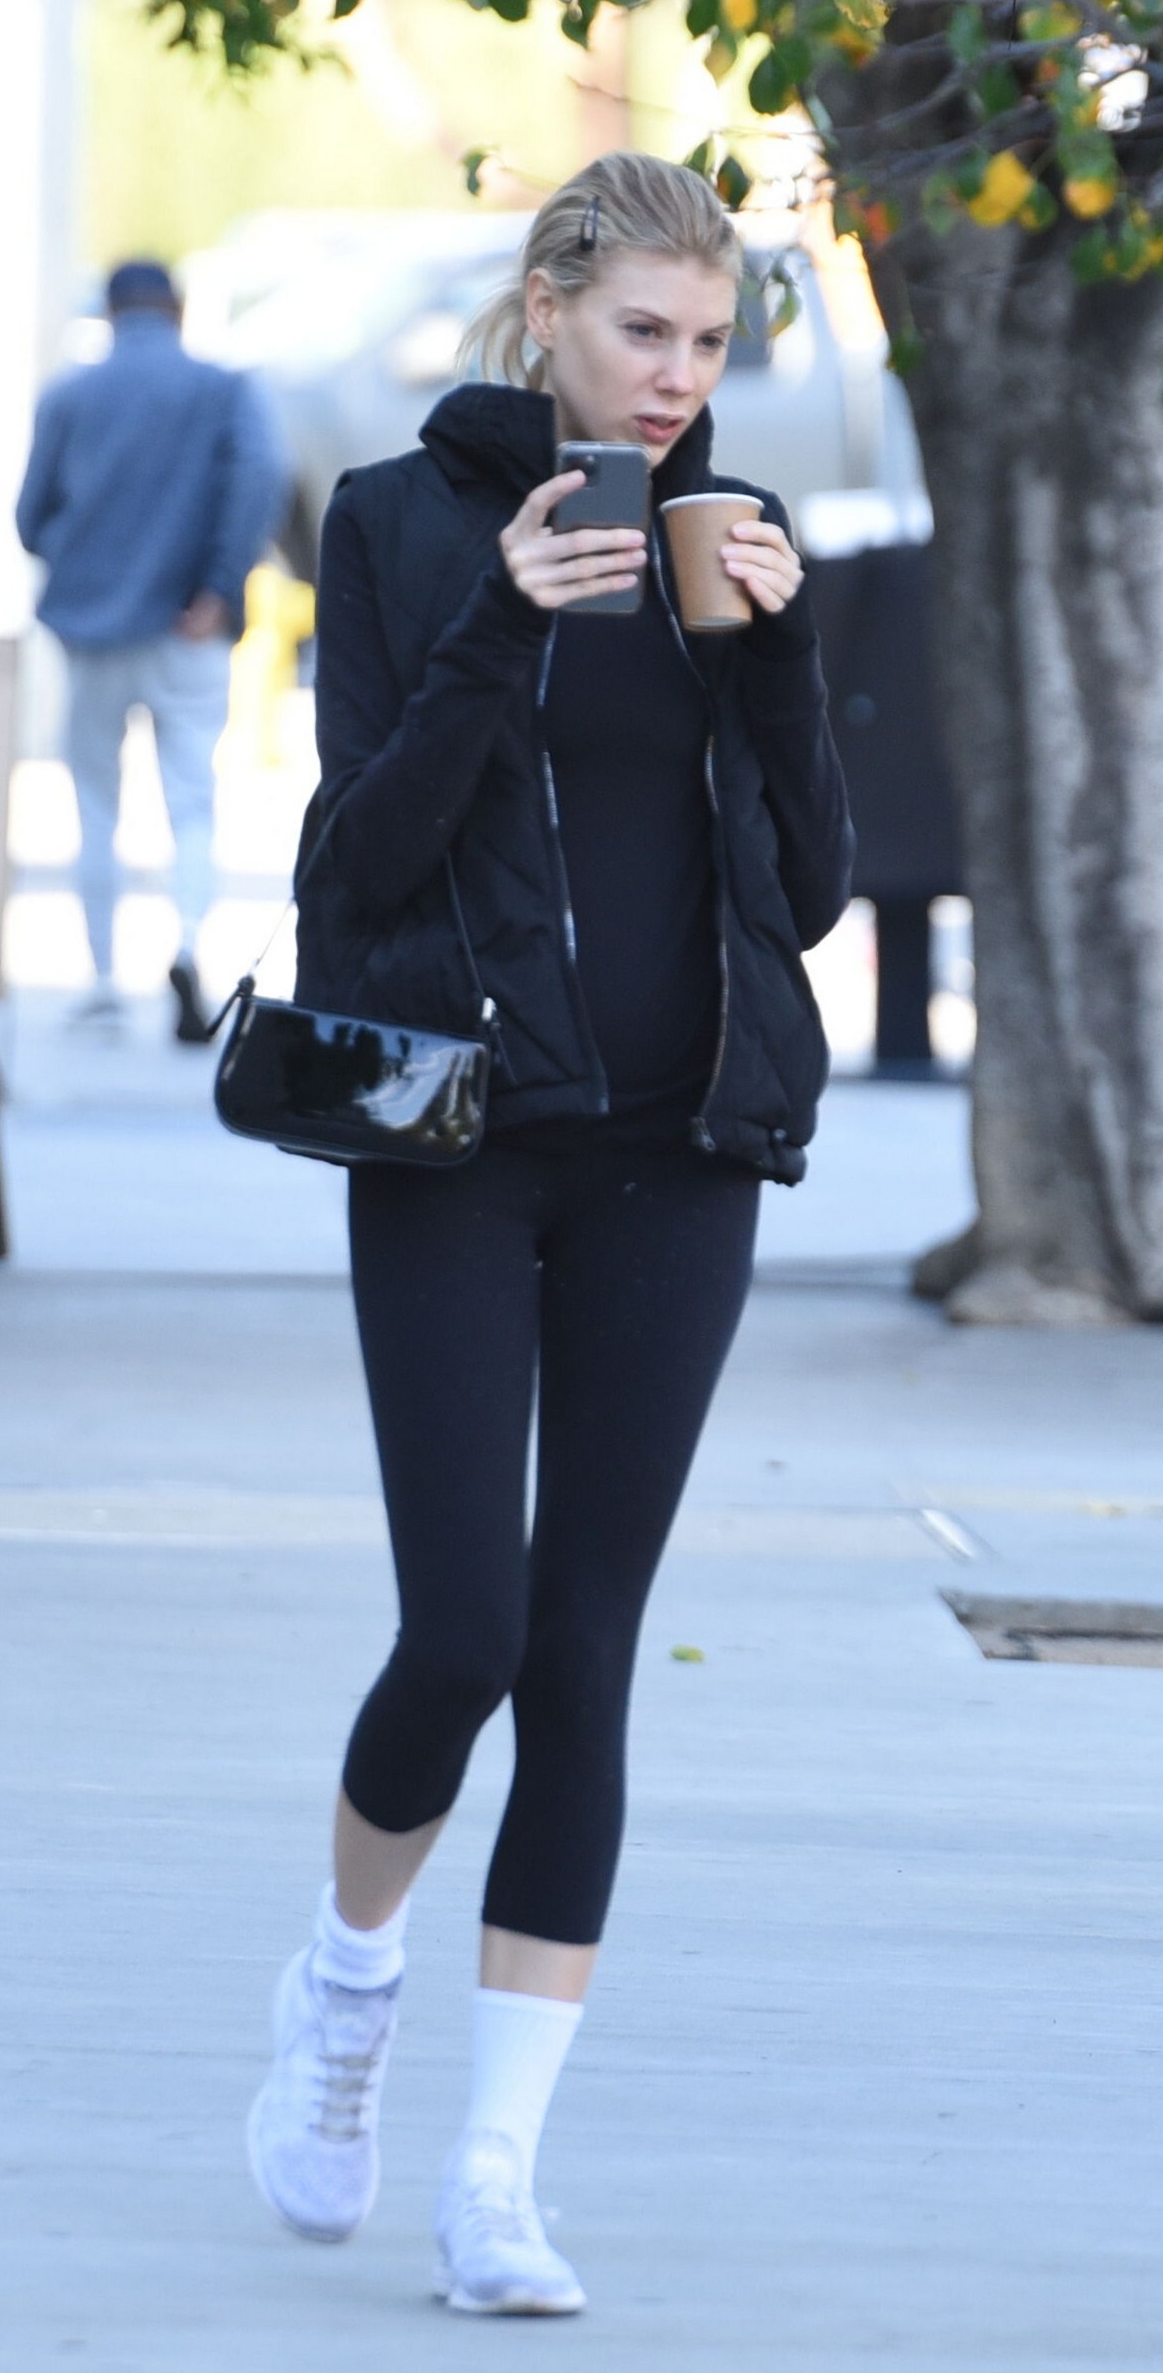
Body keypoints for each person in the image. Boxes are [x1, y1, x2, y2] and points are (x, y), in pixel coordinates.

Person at [247, 153, 853, 2315]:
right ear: (549, 308)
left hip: (677, 1156)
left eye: (708, 341)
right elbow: (357, 868)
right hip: (454, 1142)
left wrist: (773, 652)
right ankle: (346, 1983)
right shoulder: (398, 525)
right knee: (466, 1637)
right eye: (641, 333)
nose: (677, 378)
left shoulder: (730, 530)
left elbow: (813, 888)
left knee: (586, 1653)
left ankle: (496, 2178)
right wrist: (505, 617)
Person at [16, 260, 288, 1040]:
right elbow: (261, 476)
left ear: (109, 312)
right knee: (192, 801)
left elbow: (30, 517)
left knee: (94, 804)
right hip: (189, 623)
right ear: (178, 308)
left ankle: (102, 984)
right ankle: (189, 946)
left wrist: (86, 571)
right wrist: (218, 585)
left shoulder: (70, 394)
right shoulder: (223, 389)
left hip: (92, 630)